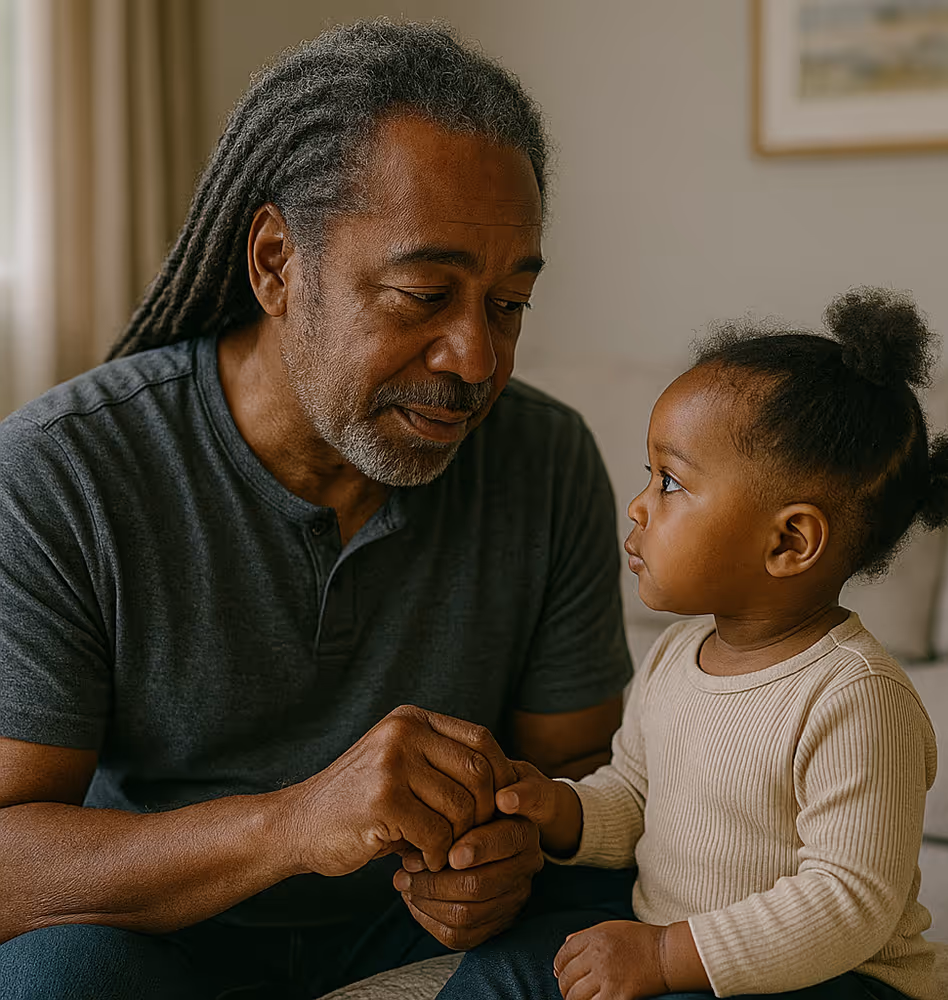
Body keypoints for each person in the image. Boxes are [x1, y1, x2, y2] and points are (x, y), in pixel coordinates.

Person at [0, 21, 632, 1000]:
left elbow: (585, 775)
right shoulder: (63, 471)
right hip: (156, 939)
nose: (476, 359)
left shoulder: (544, 462)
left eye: (507, 305)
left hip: (418, 937)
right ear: (274, 264)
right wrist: (293, 823)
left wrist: (515, 850)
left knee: (647, 950)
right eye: (424, 293)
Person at [440, 287, 948, 1000]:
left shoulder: (855, 698)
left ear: (789, 540)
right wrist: (560, 809)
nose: (637, 505)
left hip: (829, 978)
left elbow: (849, 903)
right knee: (505, 967)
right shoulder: (673, 656)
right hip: (671, 946)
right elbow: (631, 796)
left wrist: (664, 955)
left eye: (669, 482)